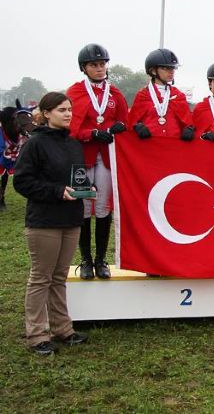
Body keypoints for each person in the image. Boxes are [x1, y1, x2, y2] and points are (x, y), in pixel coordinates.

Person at [13, 92, 89, 356]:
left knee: (59, 276)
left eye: (69, 109)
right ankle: (37, 335)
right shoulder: (34, 144)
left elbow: (77, 178)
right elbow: (22, 181)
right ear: (46, 114)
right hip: (44, 221)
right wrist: (57, 191)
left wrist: (87, 188)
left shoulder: (73, 144)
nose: (68, 114)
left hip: (71, 218)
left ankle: (62, 328)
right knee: (41, 278)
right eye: (61, 110)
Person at [66, 44, 129, 280]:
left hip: (106, 157)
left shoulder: (115, 93)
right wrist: (91, 133)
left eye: (102, 64)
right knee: (83, 205)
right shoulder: (75, 92)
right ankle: (85, 259)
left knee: (102, 206)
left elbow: (125, 121)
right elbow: (70, 125)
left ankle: (101, 259)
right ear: (84, 68)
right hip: (82, 157)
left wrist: (118, 127)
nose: (100, 68)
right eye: (94, 65)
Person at [128, 48, 194, 141]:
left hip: (172, 146)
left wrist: (189, 129)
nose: (171, 71)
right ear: (153, 71)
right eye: (166, 68)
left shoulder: (178, 95)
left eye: (173, 68)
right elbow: (131, 122)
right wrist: (137, 126)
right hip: (150, 146)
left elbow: (188, 122)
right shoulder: (142, 95)